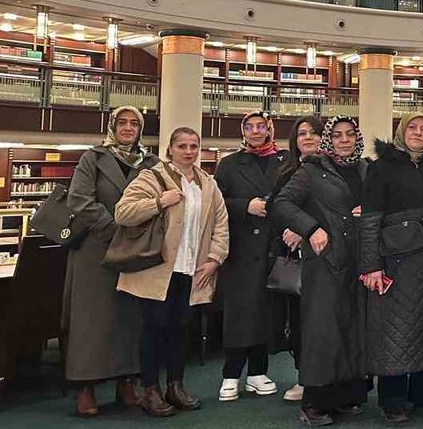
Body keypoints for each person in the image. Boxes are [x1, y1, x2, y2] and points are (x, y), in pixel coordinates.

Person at [115, 126, 229, 418]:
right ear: (170, 149)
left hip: (192, 270)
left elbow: (220, 224)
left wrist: (214, 259)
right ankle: (150, 390)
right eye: (182, 146)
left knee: (181, 331)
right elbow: (123, 212)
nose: (189, 151)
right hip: (158, 270)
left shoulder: (208, 184)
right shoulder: (152, 176)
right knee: (154, 330)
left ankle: (175, 386)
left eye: (194, 146)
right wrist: (158, 202)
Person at [360, 113, 423, 423]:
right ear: (401, 131)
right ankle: (392, 399)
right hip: (396, 261)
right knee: (395, 330)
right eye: (412, 128)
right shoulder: (381, 168)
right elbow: (370, 220)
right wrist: (371, 266)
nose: (418, 133)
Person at [273, 116, 372, 426]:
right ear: (329, 140)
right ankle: (315, 402)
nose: (344, 140)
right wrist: (311, 228)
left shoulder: (366, 169)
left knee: (352, 328)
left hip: (359, 260)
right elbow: (282, 203)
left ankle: (345, 396)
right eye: (338, 135)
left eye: (350, 134)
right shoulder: (312, 170)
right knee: (323, 331)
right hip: (326, 261)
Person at [64, 106, 161, 416]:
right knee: (90, 321)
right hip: (95, 251)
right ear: (112, 126)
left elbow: (159, 201)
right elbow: (80, 199)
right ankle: (84, 386)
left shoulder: (151, 163)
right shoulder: (93, 158)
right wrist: (114, 229)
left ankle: (126, 381)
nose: (128, 128)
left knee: (130, 319)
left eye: (134, 123)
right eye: (122, 122)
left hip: (136, 251)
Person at [215, 110, 288, 401]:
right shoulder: (229, 164)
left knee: (264, 313)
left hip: (274, 247)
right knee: (239, 314)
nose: (256, 131)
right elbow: (216, 202)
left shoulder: (285, 160)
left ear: (269, 128)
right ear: (243, 131)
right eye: (250, 127)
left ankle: (258, 373)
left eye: (261, 126)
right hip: (241, 250)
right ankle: (231, 374)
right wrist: (246, 206)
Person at [270, 116, 326, 403]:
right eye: (302, 133)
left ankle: (332, 379)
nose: (308, 138)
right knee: (300, 320)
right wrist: (292, 228)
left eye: (314, 132)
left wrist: (304, 228)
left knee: (327, 320)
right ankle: (304, 377)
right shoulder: (286, 173)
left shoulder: (334, 170)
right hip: (297, 260)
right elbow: (277, 209)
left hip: (328, 256)